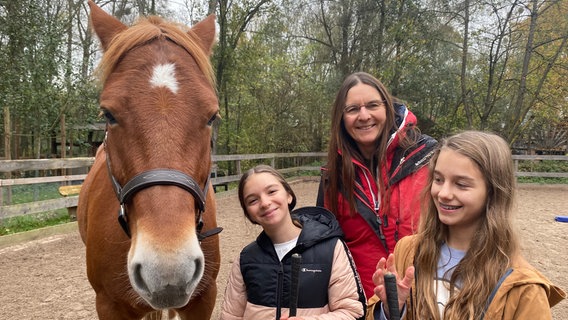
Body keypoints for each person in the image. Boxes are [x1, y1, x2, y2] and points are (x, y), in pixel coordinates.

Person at [368, 131, 567, 320]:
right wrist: (391, 309)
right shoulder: (408, 251)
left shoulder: (524, 288)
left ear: (493, 192)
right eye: (438, 179)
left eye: (461, 184)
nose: (443, 193)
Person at [317, 72, 437, 298]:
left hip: (425, 294)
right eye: (352, 109)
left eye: (372, 105)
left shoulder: (426, 159)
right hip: (364, 301)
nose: (364, 116)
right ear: (341, 118)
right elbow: (325, 243)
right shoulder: (333, 177)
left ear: (387, 108)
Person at [221, 165, 366, 320]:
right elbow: (230, 316)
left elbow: (352, 312)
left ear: (289, 195)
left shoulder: (331, 249)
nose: (264, 202)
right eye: (253, 200)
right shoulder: (245, 259)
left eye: (271, 191)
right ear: (249, 214)